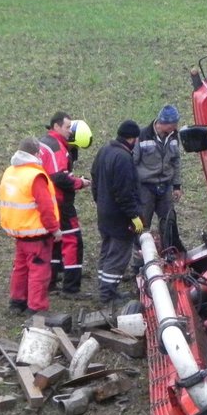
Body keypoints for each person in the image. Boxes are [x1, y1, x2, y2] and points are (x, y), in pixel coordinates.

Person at [0, 137, 63, 315]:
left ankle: (17, 301)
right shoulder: (35, 176)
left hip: (18, 231)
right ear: (36, 154)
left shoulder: (10, 172)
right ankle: (36, 307)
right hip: (37, 234)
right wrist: (55, 229)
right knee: (39, 271)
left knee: (20, 268)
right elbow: (46, 207)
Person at [91, 120, 144, 307]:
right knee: (118, 254)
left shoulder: (104, 150)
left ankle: (103, 285)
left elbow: (95, 179)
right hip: (119, 217)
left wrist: (100, 201)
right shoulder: (123, 158)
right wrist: (134, 216)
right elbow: (125, 192)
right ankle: (108, 293)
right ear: (132, 139)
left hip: (104, 212)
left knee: (106, 251)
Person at [38, 111, 91, 295]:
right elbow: (58, 177)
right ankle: (71, 287)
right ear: (56, 127)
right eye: (68, 127)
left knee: (54, 241)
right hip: (60, 202)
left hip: (45, 201)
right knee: (73, 241)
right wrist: (79, 182)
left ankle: (50, 281)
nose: (70, 131)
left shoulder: (43, 143)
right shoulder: (57, 148)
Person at [133, 104, 184, 251]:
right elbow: (132, 163)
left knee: (169, 221)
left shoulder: (174, 136)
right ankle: (139, 258)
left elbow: (176, 161)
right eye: (173, 124)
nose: (175, 128)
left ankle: (169, 252)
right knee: (141, 224)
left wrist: (177, 186)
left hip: (165, 186)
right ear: (162, 123)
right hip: (145, 187)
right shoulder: (142, 136)